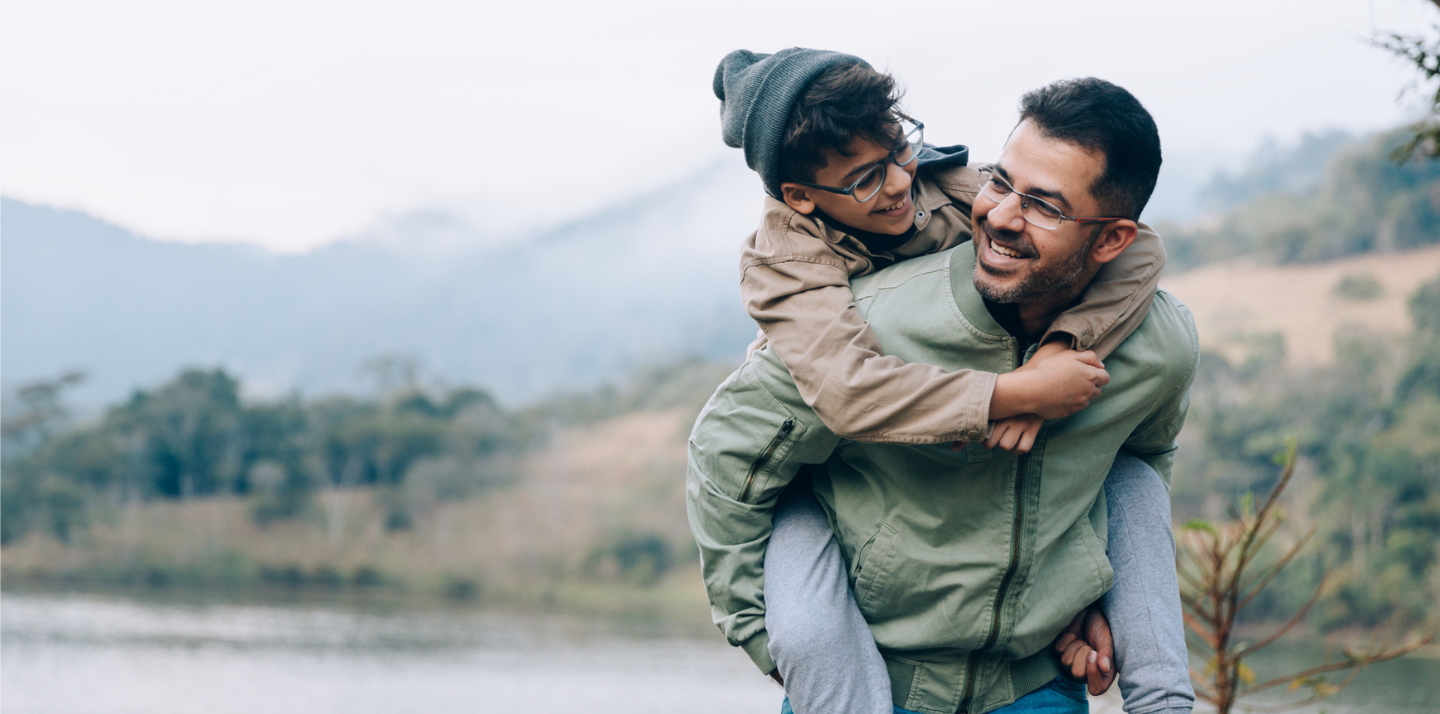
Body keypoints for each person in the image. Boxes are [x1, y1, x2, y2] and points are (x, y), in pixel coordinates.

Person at [689, 70, 1199, 714]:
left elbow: (1138, 455)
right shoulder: (817, 286)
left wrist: (1098, 590)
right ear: (801, 194)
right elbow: (758, 437)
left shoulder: (1156, 340)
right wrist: (775, 643)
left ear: (1109, 238)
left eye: (1043, 204)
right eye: (1004, 184)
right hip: (871, 679)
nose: (1002, 213)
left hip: (1035, 687)